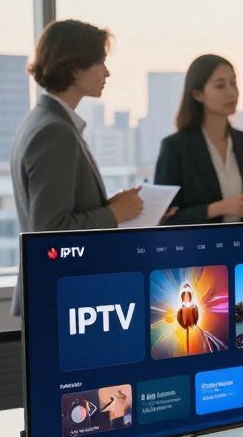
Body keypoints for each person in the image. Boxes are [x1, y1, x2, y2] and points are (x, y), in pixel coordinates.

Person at [9, 19, 144, 315]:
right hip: (59, 297)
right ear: (74, 68)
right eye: (100, 63)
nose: (107, 72)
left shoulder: (44, 122)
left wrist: (114, 205)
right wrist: (114, 213)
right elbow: (50, 231)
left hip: (59, 294)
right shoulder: (53, 131)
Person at [154, 54, 243, 225]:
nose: (231, 92)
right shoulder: (175, 147)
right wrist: (219, 208)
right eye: (220, 86)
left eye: (233, 83)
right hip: (199, 248)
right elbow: (165, 218)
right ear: (198, 94)